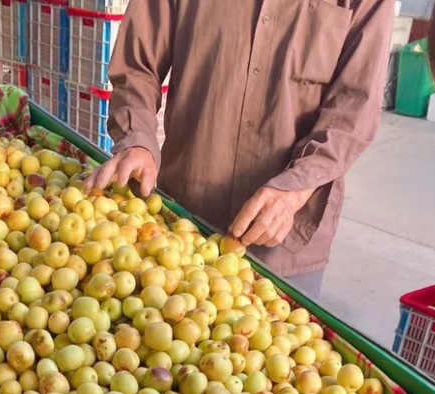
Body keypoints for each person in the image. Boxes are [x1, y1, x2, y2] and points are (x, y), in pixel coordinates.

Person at [85, 0, 395, 298]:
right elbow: (138, 66)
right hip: (179, 226)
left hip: (284, 243)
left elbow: (354, 109)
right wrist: (137, 139)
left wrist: (294, 190)